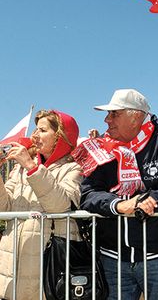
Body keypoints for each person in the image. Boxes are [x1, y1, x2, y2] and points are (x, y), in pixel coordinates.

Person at [76, 89, 158, 300]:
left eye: (114, 114)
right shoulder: (102, 147)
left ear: (136, 116)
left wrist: (147, 201)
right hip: (113, 259)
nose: (107, 119)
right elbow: (88, 194)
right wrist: (119, 205)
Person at [0, 110, 82, 299]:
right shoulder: (20, 169)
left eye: (42, 130)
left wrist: (31, 166)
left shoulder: (74, 168)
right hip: (12, 273)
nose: (34, 135)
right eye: (35, 129)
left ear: (61, 136)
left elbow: (60, 206)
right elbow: (4, 208)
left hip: (49, 274)